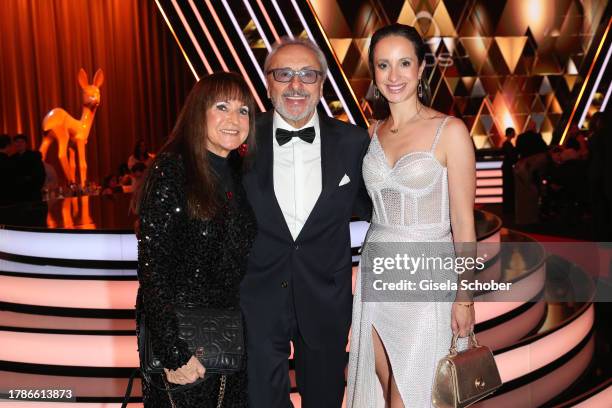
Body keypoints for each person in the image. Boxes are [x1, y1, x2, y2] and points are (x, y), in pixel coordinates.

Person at [346, 24, 476, 407]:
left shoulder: (449, 131)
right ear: (373, 73)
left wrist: (464, 296)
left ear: (421, 69)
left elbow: (464, 224)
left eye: (404, 63)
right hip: (377, 275)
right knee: (384, 390)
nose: (394, 75)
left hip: (426, 280)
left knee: (410, 395)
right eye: (383, 65)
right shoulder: (372, 133)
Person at [240, 37, 371, 408]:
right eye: (284, 74)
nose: (296, 85)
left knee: (326, 400)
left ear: (321, 83)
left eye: (307, 75)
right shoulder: (241, 139)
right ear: (268, 83)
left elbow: (378, 208)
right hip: (257, 300)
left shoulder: (353, 142)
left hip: (326, 300)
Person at [132, 72, 257, 408]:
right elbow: (152, 269)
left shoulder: (238, 174)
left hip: (227, 338)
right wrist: (173, 352)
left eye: (243, 110)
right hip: (183, 345)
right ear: (198, 112)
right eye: (222, 107)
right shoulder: (173, 170)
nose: (235, 119)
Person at [11, 134, 46, 203]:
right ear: (14, 144)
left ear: (26, 144)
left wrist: (35, 187)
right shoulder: (12, 158)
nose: (19, 144)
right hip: (17, 194)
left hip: (32, 192)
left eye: (22, 142)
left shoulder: (34, 156)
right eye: (17, 142)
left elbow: (41, 174)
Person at [502, 127, 518, 213]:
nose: (515, 133)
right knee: (508, 186)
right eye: (513, 132)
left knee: (508, 187)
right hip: (507, 168)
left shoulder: (507, 144)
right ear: (510, 133)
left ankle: (508, 207)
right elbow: (511, 156)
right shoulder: (507, 144)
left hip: (507, 167)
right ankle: (509, 208)